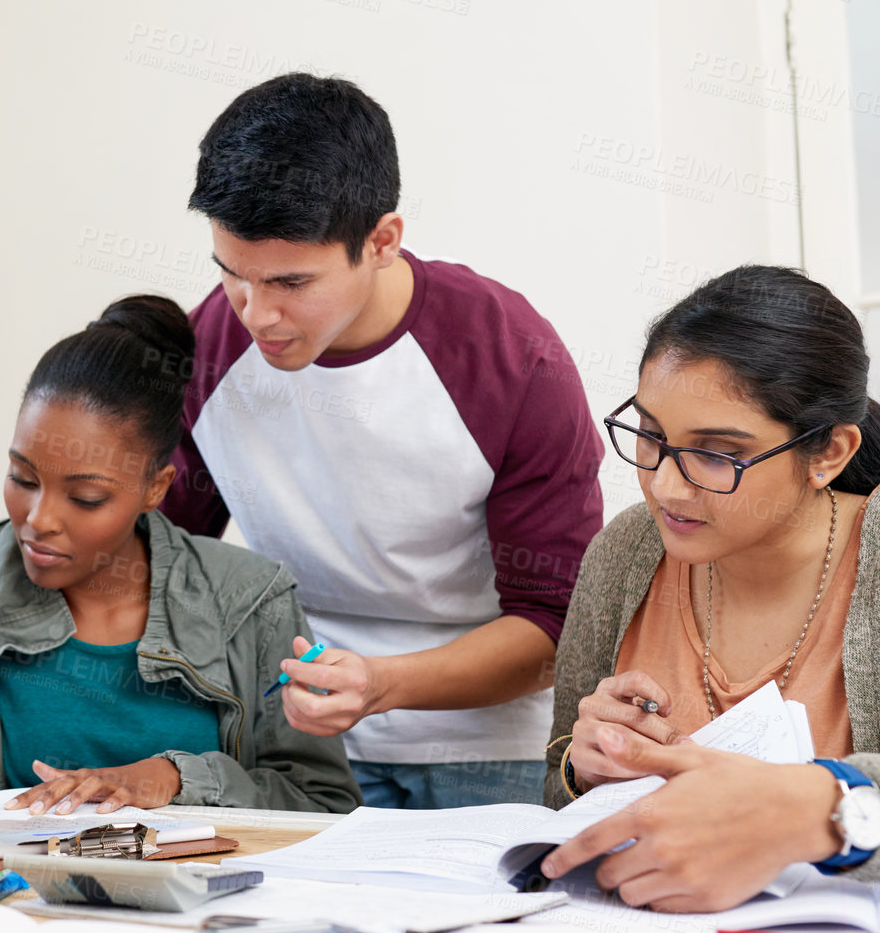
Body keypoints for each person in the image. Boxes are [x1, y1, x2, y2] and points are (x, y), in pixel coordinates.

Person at [162, 72, 604, 809]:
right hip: (299, 743)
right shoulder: (210, 342)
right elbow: (161, 556)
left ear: (382, 240)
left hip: (488, 747)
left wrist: (381, 683)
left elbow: (556, 627)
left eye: (290, 282)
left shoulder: (511, 357)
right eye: (232, 274)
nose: (255, 312)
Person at [0, 295, 361, 814]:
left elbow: (322, 800)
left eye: (85, 497)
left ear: (155, 489)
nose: (38, 520)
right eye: (22, 477)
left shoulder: (250, 601)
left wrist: (177, 778)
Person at [540, 265, 880, 912]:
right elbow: (558, 791)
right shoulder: (625, 553)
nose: (665, 487)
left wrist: (827, 808)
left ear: (828, 454)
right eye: (650, 435)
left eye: (715, 453)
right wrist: (582, 769)